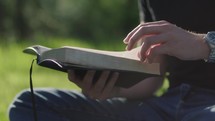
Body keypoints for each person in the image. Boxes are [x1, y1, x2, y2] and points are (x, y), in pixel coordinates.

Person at [8, 0, 215, 121]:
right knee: (30, 103)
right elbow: (153, 72)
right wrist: (114, 87)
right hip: (168, 104)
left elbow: (199, 44)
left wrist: (204, 45)